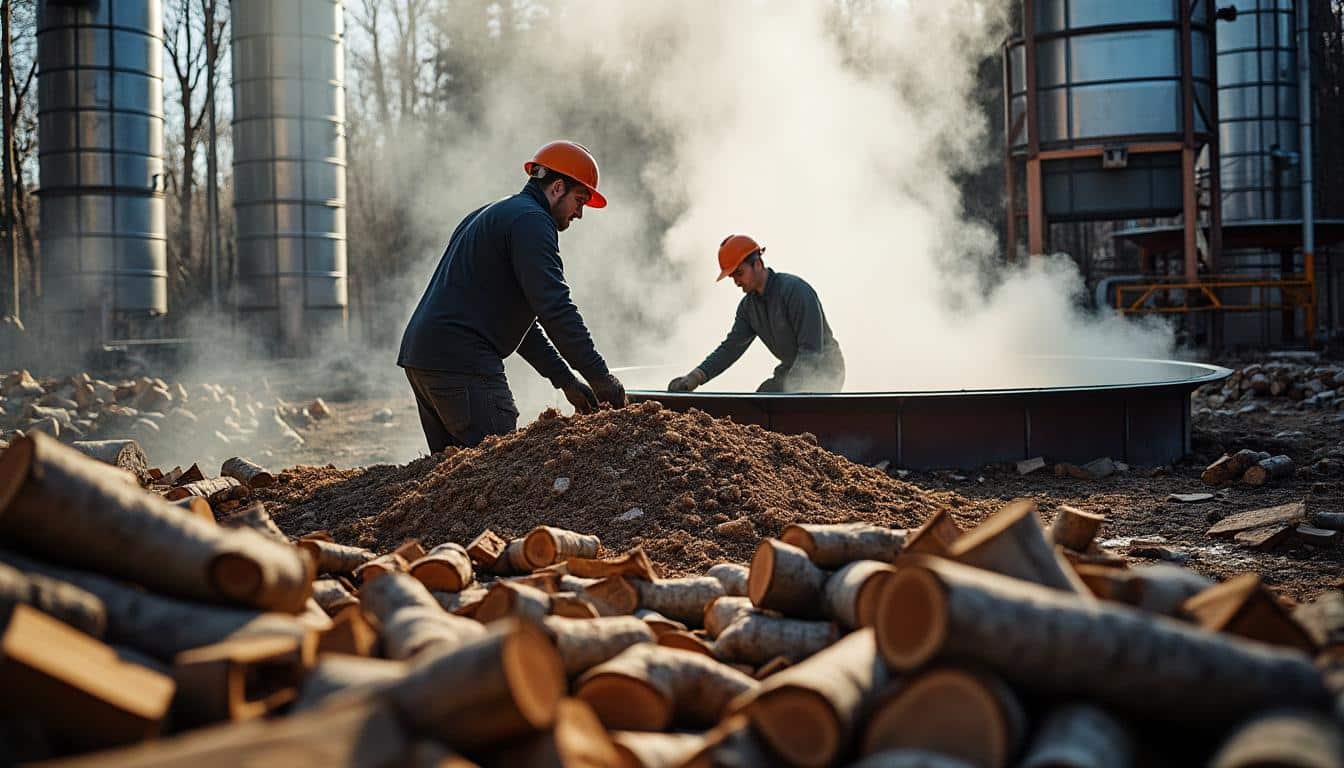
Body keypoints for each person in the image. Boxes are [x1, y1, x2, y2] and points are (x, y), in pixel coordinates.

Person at [397, 140, 627, 452]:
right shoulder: (531, 221)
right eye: (580, 200)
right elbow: (555, 308)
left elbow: (522, 324)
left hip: (424, 359)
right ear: (557, 188)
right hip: (462, 362)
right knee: (498, 472)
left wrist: (567, 380)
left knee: (452, 481)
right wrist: (601, 378)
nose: (580, 214)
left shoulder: (498, 213)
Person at [668, 234, 845, 394]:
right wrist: (696, 377)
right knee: (763, 398)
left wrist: (792, 394)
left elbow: (811, 351)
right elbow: (731, 348)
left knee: (793, 416)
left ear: (758, 264)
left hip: (825, 371)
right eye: (732, 277)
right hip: (792, 370)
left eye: (739, 273)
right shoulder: (748, 308)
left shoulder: (796, 291)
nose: (736, 281)